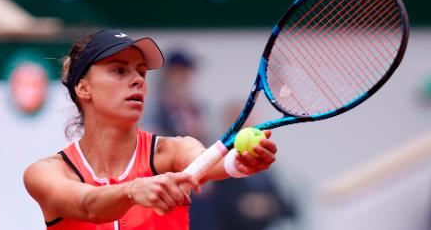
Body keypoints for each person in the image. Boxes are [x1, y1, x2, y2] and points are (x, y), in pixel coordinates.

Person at [23, 28, 278, 230]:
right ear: (83, 88)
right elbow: (87, 205)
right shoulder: (45, 173)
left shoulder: (172, 151)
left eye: (141, 72)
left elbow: (206, 162)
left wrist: (239, 162)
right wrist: (133, 190)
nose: (137, 80)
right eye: (119, 70)